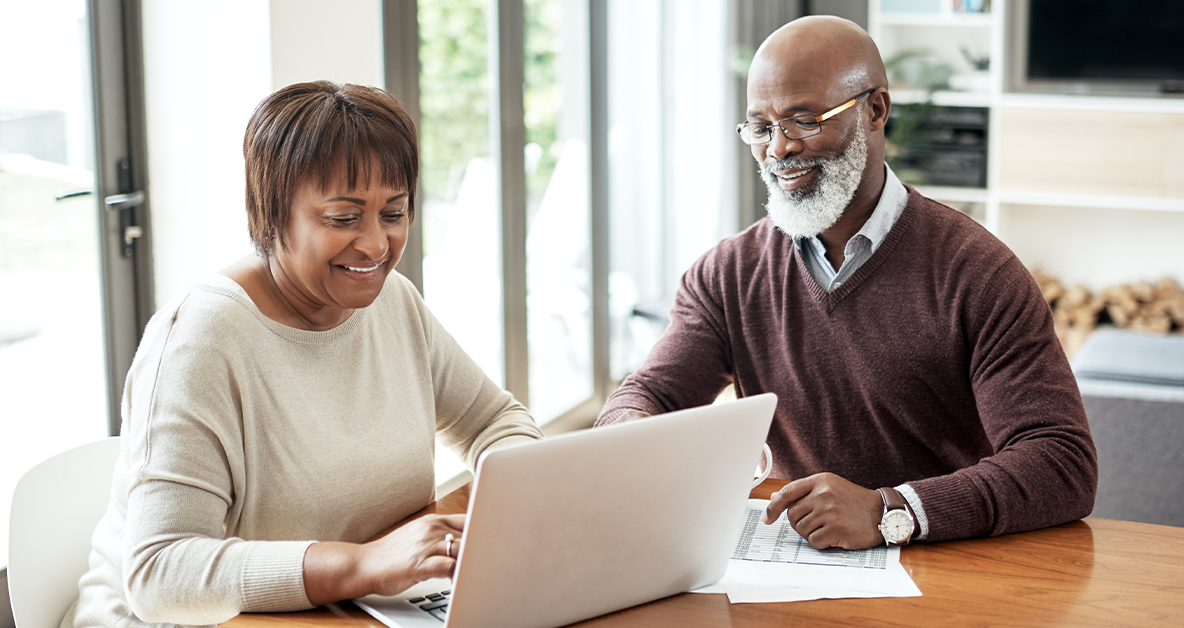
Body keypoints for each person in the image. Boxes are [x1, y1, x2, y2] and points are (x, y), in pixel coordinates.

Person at [595, 16, 1097, 550]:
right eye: (760, 128)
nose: (778, 150)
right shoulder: (726, 274)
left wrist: (889, 511)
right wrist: (629, 429)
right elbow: (652, 393)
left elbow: (1061, 464)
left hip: (946, 562)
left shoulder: (978, 273)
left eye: (803, 121)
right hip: (792, 558)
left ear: (875, 110)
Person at [63, 82, 542, 628]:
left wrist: (513, 505)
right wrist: (360, 564)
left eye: (394, 213)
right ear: (270, 212)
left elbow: (494, 420)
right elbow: (161, 573)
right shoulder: (201, 340)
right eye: (343, 218)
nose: (377, 246)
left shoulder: (394, 303)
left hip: (353, 609)